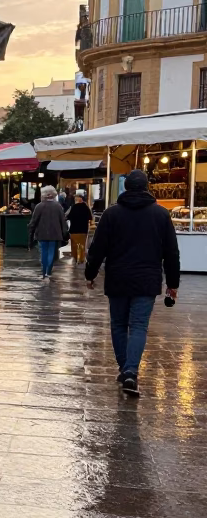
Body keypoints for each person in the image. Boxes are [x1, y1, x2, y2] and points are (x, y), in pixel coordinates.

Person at [84, 168, 180, 397]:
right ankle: (131, 371)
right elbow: (171, 251)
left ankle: (124, 368)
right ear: (147, 187)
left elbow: (98, 248)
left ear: (126, 187)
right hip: (147, 279)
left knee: (118, 325)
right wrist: (173, 283)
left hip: (118, 277)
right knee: (138, 326)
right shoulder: (160, 214)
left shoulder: (111, 214)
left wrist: (90, 273)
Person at [28, 185, 68, 279]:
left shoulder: (39, 206)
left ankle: (44, 271)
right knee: (51, 252)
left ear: (44, 195)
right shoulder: (58, 206)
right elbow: (62, 220)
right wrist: (64, 232)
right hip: (55, 234)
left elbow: (34, 221)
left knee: (43, 252)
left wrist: (31, 231)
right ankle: (49, 271)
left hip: (41, 233)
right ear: (53, 194)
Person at [66, 190, 92, 265]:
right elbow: (90, 217)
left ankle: (75, 258)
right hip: (83, 230)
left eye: (76, 198)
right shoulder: (86, 208)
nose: (76, 199)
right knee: (82, 245)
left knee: (74, 245)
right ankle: (81, 259)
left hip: (74, 229)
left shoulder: (74, 207)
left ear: (80, 198)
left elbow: (68, 217)